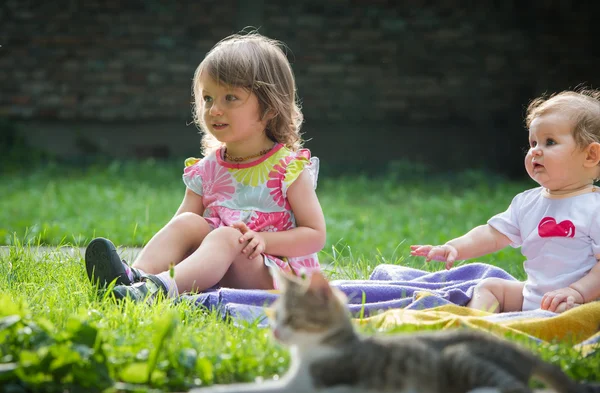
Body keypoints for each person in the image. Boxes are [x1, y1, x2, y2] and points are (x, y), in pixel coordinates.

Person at [84, 31, 326, 301]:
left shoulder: (288, 168)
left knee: (227, 236)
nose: (214, 110)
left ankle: (157, 289)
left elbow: (315, 234)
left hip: (273, 273)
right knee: (188, 222)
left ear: (270, 108)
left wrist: (265, 241)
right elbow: (181, 230)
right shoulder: (206, 170)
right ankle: (135, 278)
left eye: (230, 98)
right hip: (217, 264)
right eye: (208, 98)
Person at [411, 89, 600, 314]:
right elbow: (491, 235)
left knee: (576, 312)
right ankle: (476, 324)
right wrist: (454, 247)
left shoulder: (593, 208)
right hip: (533, 296)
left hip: (579, 301)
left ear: (590, 156)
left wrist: (576, 292)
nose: (536, 151)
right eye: (533, 143)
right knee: (489, 287)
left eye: (549, 142)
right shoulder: (526, 202)